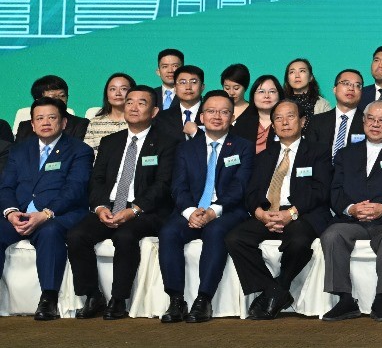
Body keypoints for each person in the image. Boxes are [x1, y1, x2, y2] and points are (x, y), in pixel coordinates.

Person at [66, 85, 174, 320]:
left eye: (141, 103)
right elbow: (97, 180)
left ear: (154, 111)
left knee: (124, 236)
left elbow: (163, 185)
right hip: (110, 206)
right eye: (129, 102)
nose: (133, 107)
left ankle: (118, 299)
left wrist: (134, 210)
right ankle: (92, 295)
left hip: (146, 210)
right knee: (76, 235)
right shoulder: (110, 142)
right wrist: (100, 207)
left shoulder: (166, 142)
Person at [226, 98, 333, 320]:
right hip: (268, 212)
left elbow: (321, 190)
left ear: (303, 121)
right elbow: (251, 191)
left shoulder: (318, 151)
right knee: (235, 239)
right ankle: (275, 291)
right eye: (278, 118)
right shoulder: (264, 155)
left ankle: (278, 287)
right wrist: (260, 214)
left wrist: (291, 213)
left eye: (290, 116)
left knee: (299, 241)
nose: (284, 122)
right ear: (273, 125)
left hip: (301, 213)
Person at [156, 90, 255, 324]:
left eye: (224, 112)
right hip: (193, 210)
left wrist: (213, 211)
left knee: (215, 231)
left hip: (227, 211)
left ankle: (203, 299)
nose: (217, 116)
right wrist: (191, 212)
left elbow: (240, 186)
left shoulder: (243, 147)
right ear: (201, 117)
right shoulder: (186, 148)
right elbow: (178, 186)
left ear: (232, 117)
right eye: (211, 111)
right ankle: (176, 299)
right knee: (169, 232)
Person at [321, 103, 382, 323]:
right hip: (353, 220)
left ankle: (381, 299)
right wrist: (351, 208)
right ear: (363, 121)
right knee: (331, 235)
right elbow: (335, 190)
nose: (375, 124)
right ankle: (344, 299)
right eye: (371, 119)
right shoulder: (345, 153)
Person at [0, 99, 93, 320]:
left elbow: (75, 189)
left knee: (50, 232)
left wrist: (46, 213)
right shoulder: (19, 150)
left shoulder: (80, 150)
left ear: (64, 122)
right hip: (21, 214)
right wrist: (11, 213)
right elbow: (6, 186)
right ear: (32, 125)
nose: (46, 122)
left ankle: (48, 299)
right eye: (39, 118)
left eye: (52, 117)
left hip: (59, 214)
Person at [14, 75, 90, 143]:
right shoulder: (25, 127)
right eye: (52, 97)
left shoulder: (80, 124)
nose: (59, 100)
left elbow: (76, 150)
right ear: (38, 101)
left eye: (62, 96)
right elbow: (17, 152)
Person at [307, 69, 365, 155]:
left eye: (357, 85)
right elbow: (310, 154)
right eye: (346, 83)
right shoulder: (317, 121)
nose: (351, 88)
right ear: (334, 89)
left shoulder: (368, 122)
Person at [230, 75, 283, 154]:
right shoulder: (241, 124)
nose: (266, 96)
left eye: (272, 91)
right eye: (261, 91)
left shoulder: (286, 123)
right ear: (253, 96)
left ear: (279, 95)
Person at [83, 73, 133, 152]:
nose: (118, 93)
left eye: (123, 89)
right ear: (106, 94)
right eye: (112, 89)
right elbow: (87, 154)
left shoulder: (138, 122)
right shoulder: (94, 123)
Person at [155, 65, 205, 142]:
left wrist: (196, 133)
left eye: (193, 82)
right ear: (175, 88)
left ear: (202, 87)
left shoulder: (213, 115)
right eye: (182, 82)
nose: (188, 87)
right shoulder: (162, 117)